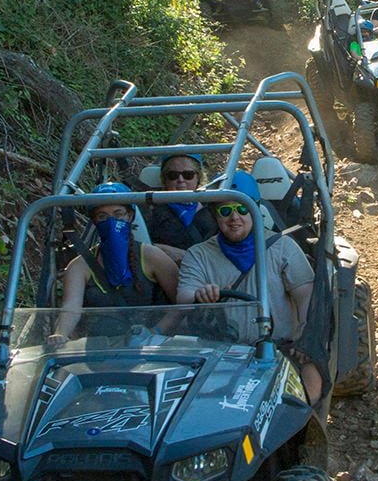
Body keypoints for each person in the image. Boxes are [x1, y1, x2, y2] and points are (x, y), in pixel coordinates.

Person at [177, 173, 323, 402]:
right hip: (221, 351)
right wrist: (199, 295)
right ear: (216, 215)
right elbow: (183, 298)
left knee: (311, 370)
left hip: (277, 348)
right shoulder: (199, 254)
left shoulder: (282, 247)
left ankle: (306, 420)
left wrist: (304, 336)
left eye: (242, 209)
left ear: (255, 210)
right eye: (225, 211)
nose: (234, 217)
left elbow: (306, 295)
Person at [50, 183, 179, 345]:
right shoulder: (80, 266)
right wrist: (60, 333)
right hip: (101, 351)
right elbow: (70, 307)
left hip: (151, 349)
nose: (111, 222)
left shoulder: (152, 257)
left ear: (130, 216)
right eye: (103, 216)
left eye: (118, 214)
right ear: (94, 220)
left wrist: (155, 333)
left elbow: (181, 304)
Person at [144, 154, 219, 264]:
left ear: (198, 177)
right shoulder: (150, 209)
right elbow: (139, 243)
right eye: (172, 175)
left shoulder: (214, 206)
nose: (180, 180)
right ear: (164, 179)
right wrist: (160, 249)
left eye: (188, 175)